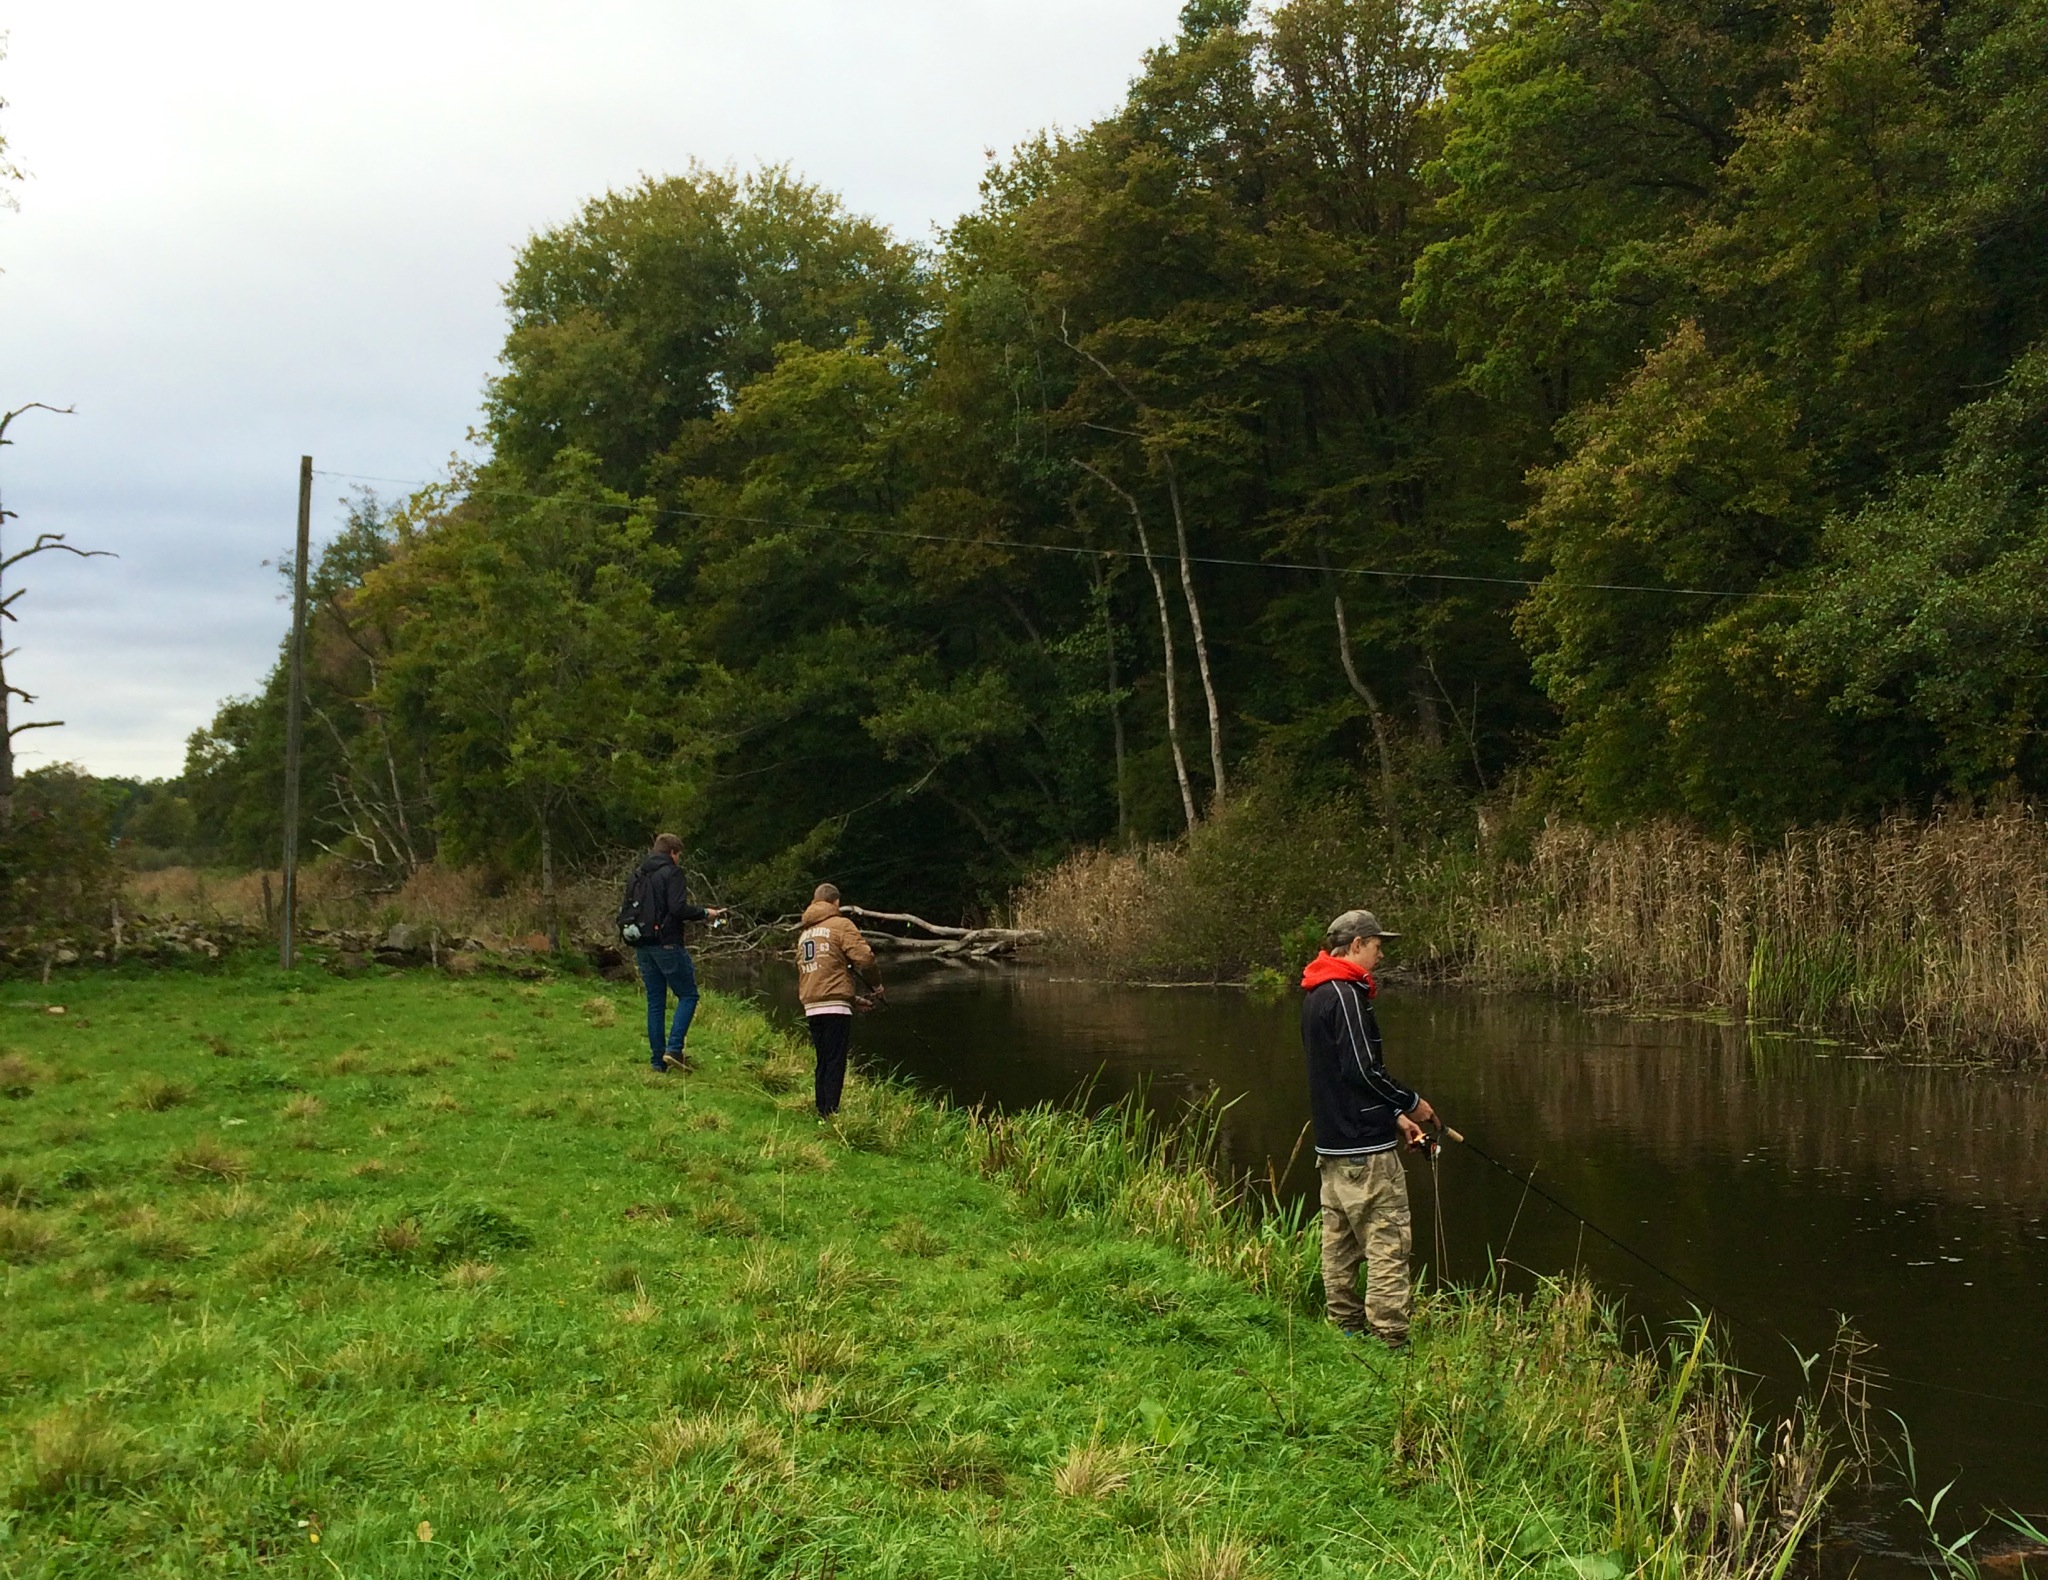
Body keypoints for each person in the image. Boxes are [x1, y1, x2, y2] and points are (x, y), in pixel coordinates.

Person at [1299, 907, 1438, 1350]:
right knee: (1388, 1244)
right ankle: (1390, 1340)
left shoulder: (1316, 992)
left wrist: (1393, 1116)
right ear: (1356, 945)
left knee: (1339, 1245)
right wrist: (1411, 1103)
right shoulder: (1345, 994)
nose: (1381, 955)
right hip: (1366, 1151)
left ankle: (1344, 1328)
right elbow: (1363, 1071)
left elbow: (1342, 1080)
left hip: (1332, 1148)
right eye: (1377, 946)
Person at [628, 834, 725, 1073]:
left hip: (642, 943)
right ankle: (673, 1049)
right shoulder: (672, 873)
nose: (679, 859)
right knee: (688, 995)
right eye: (678, 854)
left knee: (655, 1001)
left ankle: (657, 1062)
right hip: (667, 943)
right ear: (672, 852)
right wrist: (705, 913)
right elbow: (677, 908)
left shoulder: (638, 874)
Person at [795, 883, 882, 1121]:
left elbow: (821, 973)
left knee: (823, 1059)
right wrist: (877, 986)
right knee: (836, 1060)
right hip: (835, 1007)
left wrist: (852, 999)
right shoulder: (841, 925)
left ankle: (821, 1108)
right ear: (836, 903)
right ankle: (831, 1113)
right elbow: (865, 958)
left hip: (811, 1005)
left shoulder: (805, 934)